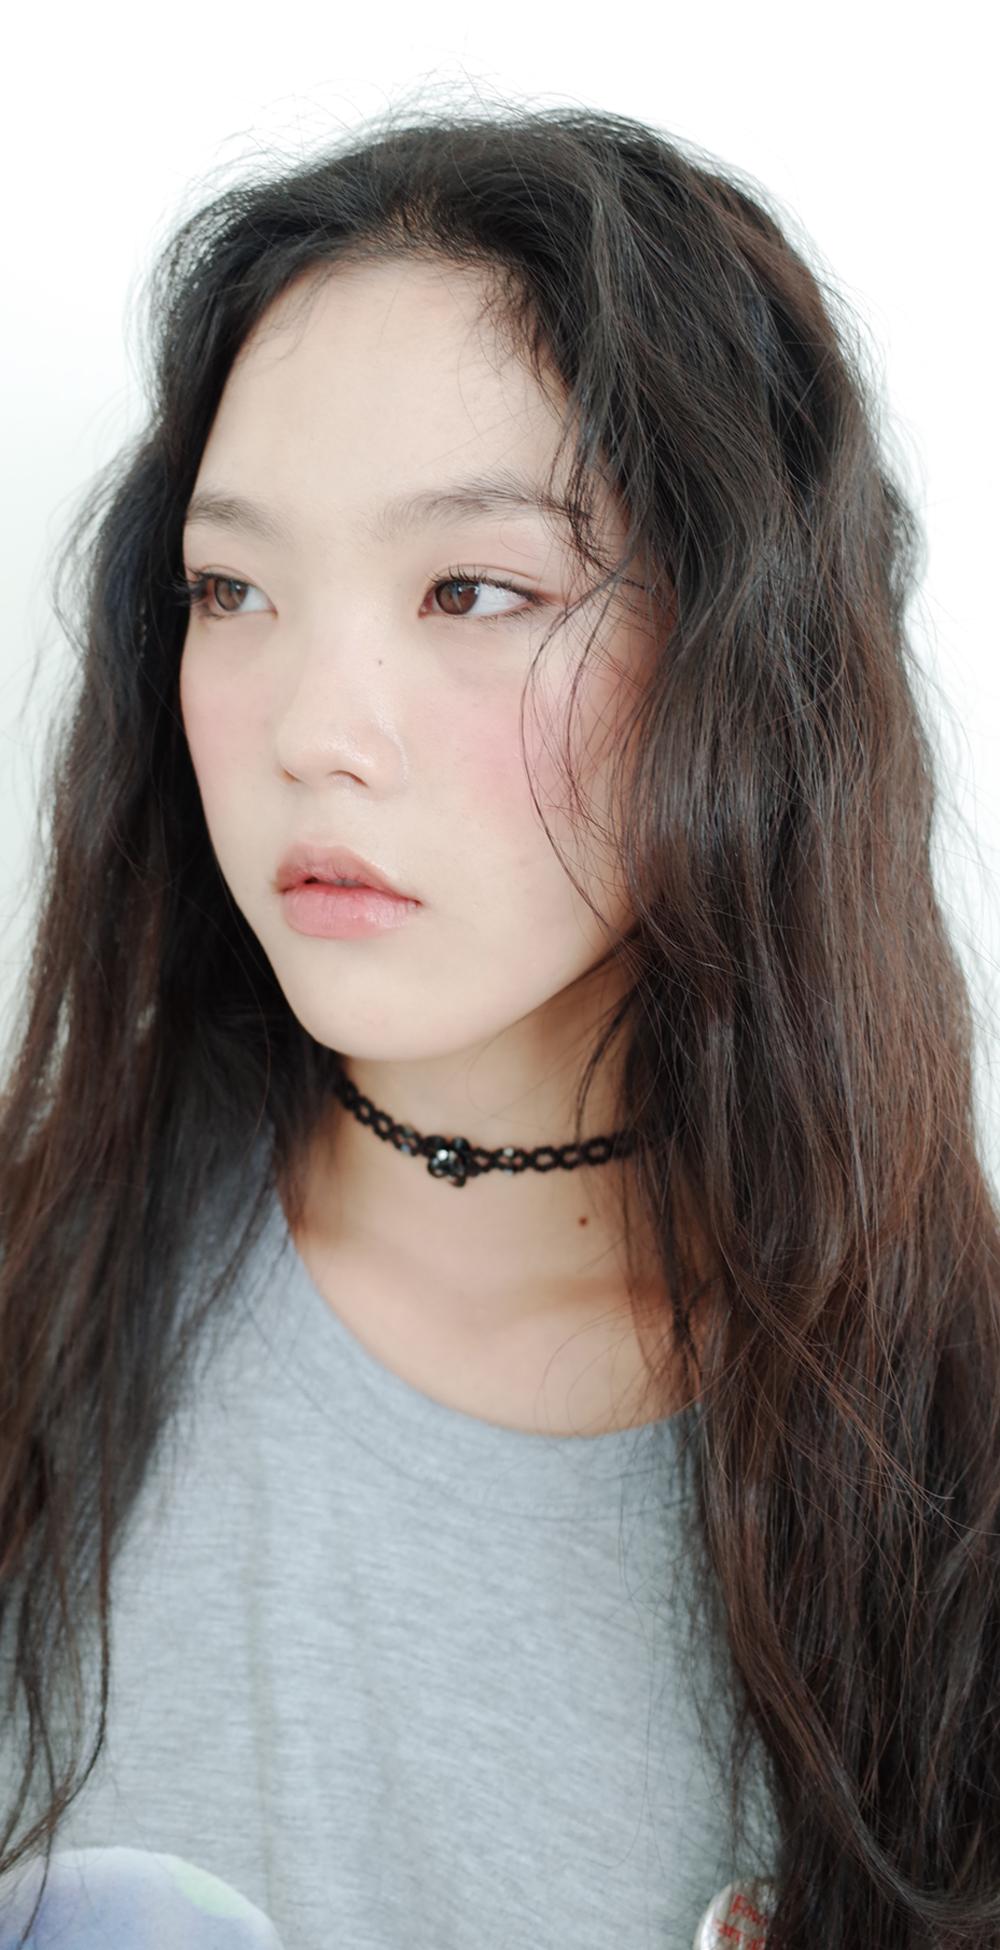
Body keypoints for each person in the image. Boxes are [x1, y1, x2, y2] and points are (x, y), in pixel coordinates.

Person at [0, 94, 997, 1950]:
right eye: (232, 587)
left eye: (474, 588)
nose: (314, 727)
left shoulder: (940, 1452)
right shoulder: (39, 1281)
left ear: (742, 656)